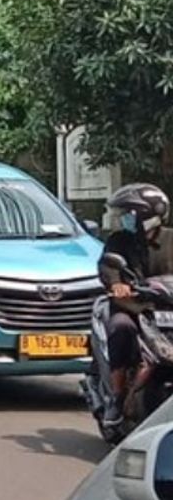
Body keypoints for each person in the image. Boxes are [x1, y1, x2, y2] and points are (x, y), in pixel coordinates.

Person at [98, 182, 170, 427]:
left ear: (149, 217)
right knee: (120, 328)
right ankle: (117, 398)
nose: (124, 219)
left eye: (129, 214)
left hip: (166, 311)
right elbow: (108, 267)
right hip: (132, 308)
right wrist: (117, 284)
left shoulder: (172, 240)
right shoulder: (119, 242)